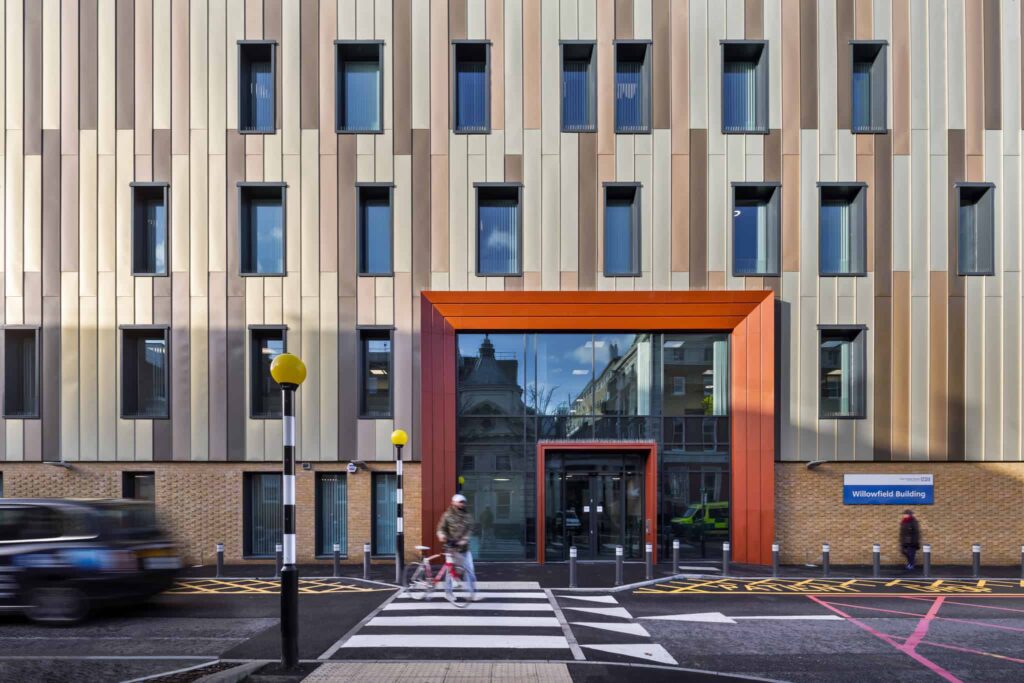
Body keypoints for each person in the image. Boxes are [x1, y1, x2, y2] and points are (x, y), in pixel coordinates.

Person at [436, 493, 478, 596]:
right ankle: (449, 593)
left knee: (470, 571)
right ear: (453, 502)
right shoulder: (447, 515)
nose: (462, 504)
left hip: (464, 549)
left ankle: (471, 593)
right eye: (460, 502)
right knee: (450, 572)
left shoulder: (467, 516)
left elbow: (471, 529)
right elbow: (441, 528)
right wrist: (441, 535)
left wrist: (465, 538)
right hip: (451, 548)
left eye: (463, 502)